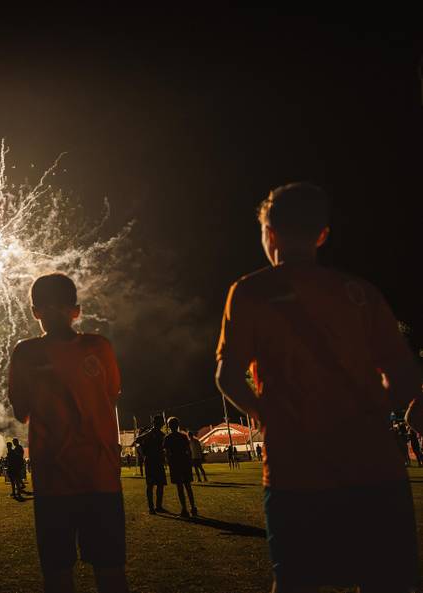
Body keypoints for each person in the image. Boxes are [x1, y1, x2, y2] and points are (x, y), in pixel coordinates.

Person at [215, 183, 423, 592]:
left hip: (297, 471)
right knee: (388, 581)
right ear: (322, 234)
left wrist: (265, 413)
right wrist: (368, 410)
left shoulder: (250, 291)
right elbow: (407, 377)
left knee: (296, 582)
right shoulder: (360, 293)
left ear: (268, 232)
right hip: (373, 468)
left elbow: (226, 375)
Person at [8, 273, 128, 593]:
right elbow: (111, 394)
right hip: (99, 475)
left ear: (35, 312)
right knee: (109, 569)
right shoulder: (98, 347)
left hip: (54, 481)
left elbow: (20, 411)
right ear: (76, 310)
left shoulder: (26, 352)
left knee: (59, 573)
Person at [163, 417, 198, 517]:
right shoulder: (183, 436)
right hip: (184, 463)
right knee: (188, 486)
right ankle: (193, 507)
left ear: (169, 426)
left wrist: (168, 461)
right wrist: (189, 461)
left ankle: (184, 509)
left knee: (180, 487)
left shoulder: (168, 438)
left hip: (175, 464)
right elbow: (189, 450)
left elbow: (166, 452)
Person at [136, 416, 167, 514]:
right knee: (150, 485)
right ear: (155, 423)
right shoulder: (149, 433)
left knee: (160, 484)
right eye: (159, 423)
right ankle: (151, 507)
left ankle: (158, 506)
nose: (160, 424)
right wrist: (143, 454)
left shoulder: (162, 434)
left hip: (158, 461)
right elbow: (137, 441)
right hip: (150, 461)